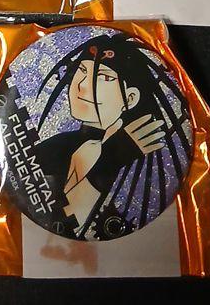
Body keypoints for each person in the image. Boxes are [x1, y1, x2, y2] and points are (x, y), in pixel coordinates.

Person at [32, 30, 190, 237]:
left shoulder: (154, 160)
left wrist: (111, 159)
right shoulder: (52, 148)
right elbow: (58, 219)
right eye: (81, 70)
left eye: (103, 77)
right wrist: (108, 162)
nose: (82, 85)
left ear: (130, 98)